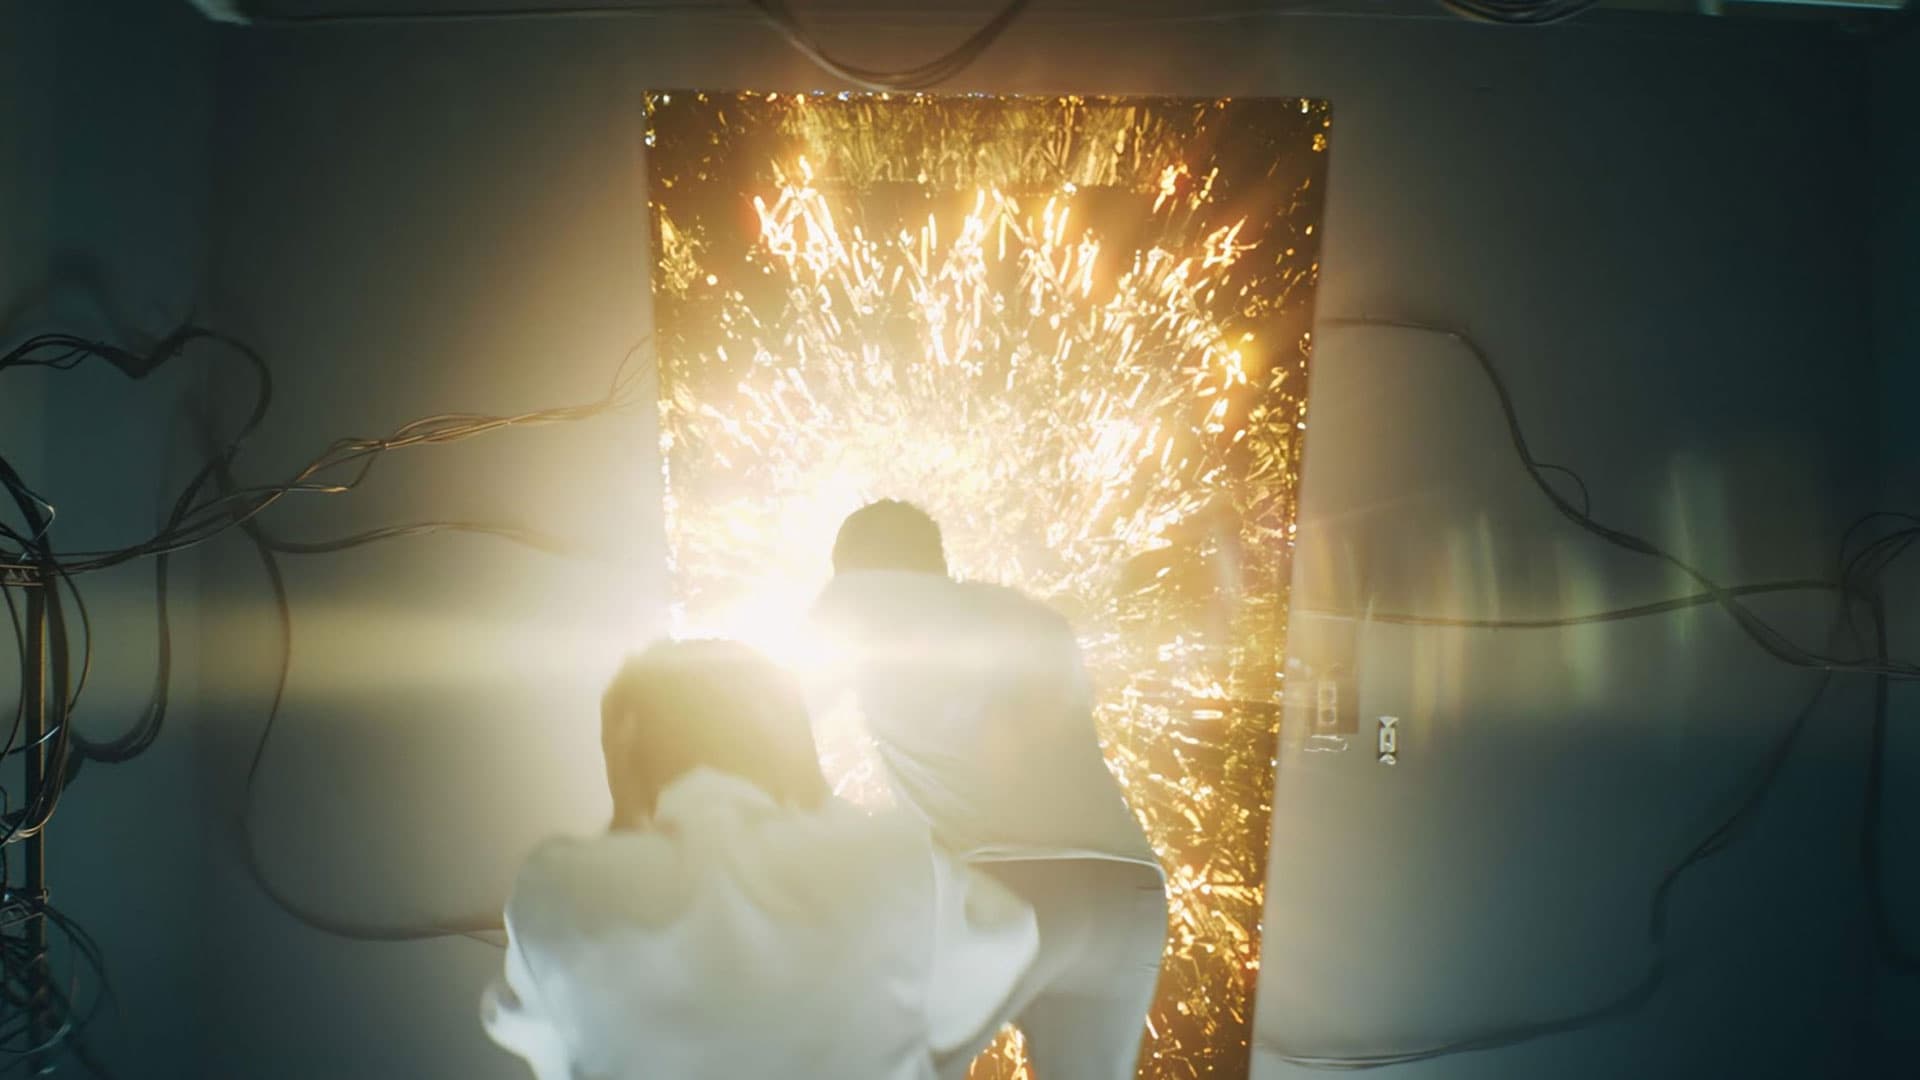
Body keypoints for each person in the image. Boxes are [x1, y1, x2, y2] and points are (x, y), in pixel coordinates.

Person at [481, 638, 1039, 1080]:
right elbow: (1004, 943)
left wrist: (623, 816)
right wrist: (819, 797)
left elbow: (551, 1052)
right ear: (791, 734)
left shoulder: (555, 891)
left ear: (624, 740)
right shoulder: (895, 862)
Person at [812, 501, 1169, 1080]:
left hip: (1009, 885)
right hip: (1129, 893)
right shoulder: (1030, 617)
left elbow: (774, 720)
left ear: (852, 575)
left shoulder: (859, 610)